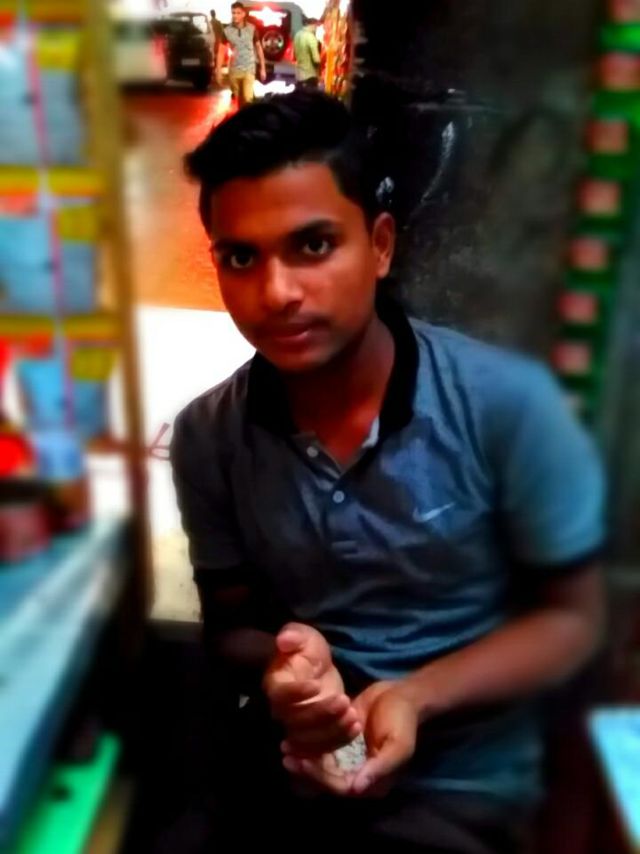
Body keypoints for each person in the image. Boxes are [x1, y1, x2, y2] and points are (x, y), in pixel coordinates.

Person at [173, 91, 605, 853]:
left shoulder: (506, 405)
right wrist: (288, 668)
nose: (277, 294)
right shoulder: (210, 435)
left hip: (470, 781)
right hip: (301, 759)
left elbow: (574, 619)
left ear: (379, 246)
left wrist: (415, 696)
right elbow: (231, 627)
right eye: (241, 257)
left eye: (313, 246)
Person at [216, 1, 266, 108]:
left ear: (243, 14)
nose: (235, 15)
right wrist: (218, 70)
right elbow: (221, 52)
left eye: (238, 13)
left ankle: (248, 117)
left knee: (248, 99)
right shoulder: (227, 31)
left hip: (249, 69)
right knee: (238, 101)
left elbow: (259, 48)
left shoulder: (252, 29)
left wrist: (263, 68)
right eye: (233, 13)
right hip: (234, 71)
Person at [294, 16, 322, 88]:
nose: (316, 29)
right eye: (316, 27)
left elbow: (294, 55)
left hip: (299, 75)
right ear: (314, 25)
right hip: (310, 76)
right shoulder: (311, 37)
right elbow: (316, 59)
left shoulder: (297, 34)